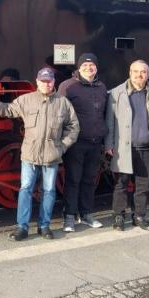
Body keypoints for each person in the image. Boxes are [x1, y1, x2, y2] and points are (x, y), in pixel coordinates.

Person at [0, 67, 80, 241]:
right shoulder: (26, 99)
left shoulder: (63, 103)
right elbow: (8, 110)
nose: (46, 84)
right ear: (37, 82)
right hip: (30, 155)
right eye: (43, 81)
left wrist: (61, 147)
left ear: (53, 82)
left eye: (49, 81)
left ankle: (44, 226)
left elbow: (74, 127)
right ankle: (22, 227)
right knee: (25, 189)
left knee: (48, 191)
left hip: (51, 155)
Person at [105, 60, 149, 231]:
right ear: (130, 72)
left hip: (146, 149)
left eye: (143, 72)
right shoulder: (116, 93)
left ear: (148, 74)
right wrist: (109, 144)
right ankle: (118, 216)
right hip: (123, 149)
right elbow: (110, 122)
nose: (139, 75)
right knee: (121, 184)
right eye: (136, 71)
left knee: (143, 186)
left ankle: (139, 216)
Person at [57, 53, 108, 232]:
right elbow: (60, 114)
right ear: (78, 68)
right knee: (73, 179)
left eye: (92, 65)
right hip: (76, 142)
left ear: (96, 68)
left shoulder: (101, 87)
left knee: (89, 179)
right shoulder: (67, 87)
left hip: (95, 141)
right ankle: (69, 217)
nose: (88, 68)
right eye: (85, 65)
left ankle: (86, 214)